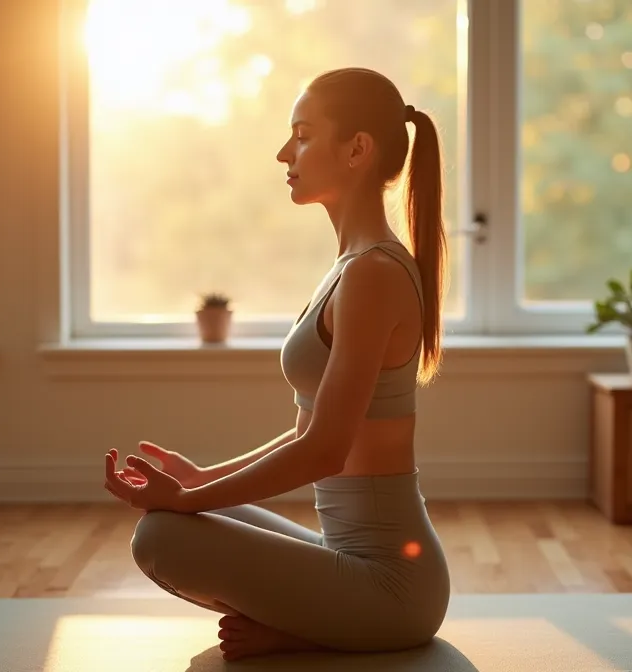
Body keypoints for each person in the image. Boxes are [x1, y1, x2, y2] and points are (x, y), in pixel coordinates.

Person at [101, 66, 452, 662]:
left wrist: (188, 501)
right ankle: (310, 626)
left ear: (357, 150)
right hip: (350, 561)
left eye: (304, 134)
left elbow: (324, 453)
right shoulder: (350, 266)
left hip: (393, 588)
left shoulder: (373, 274)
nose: (284, 152)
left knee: (163, 533)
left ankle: (317, 629)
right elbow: (305, 433)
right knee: (179, 514)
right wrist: (199, 480)